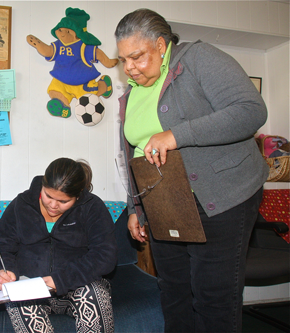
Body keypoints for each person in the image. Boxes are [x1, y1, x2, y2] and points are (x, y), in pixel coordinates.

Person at [114, 9, 269, 333]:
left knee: (213, 296)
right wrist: (136, 208)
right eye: (123, 60)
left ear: (160, 45)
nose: (129, 68)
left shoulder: (198, 58)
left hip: (221, 196)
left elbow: (250, 110)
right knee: (173, 292)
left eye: (137, 57)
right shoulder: (131, 93)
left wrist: (176, 135)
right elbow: (133, 154)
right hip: (164, 203)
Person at [0, 157, 117, 333]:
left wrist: (61, 280)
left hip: (78, 287)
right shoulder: (22, 204)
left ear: (78, 196)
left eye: (63, 202)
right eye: (48, 196)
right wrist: (3, 271)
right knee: (19, 301)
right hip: (32, 288)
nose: (53, 205)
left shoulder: (92, 207)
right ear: (42, 184)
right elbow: (1, 245)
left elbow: (105, 256)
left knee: (93, 293)